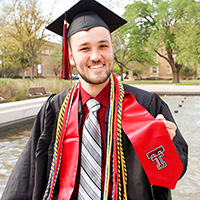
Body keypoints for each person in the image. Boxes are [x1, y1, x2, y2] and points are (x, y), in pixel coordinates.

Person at [1, 0, 188, 200]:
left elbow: (173, 174)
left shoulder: (147, 105)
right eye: (84, 49)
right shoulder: (54, 109)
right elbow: (27, 176)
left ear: (112, 49)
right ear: (71, 57)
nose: (96, 56)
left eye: (103, 46)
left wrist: (162, 147)